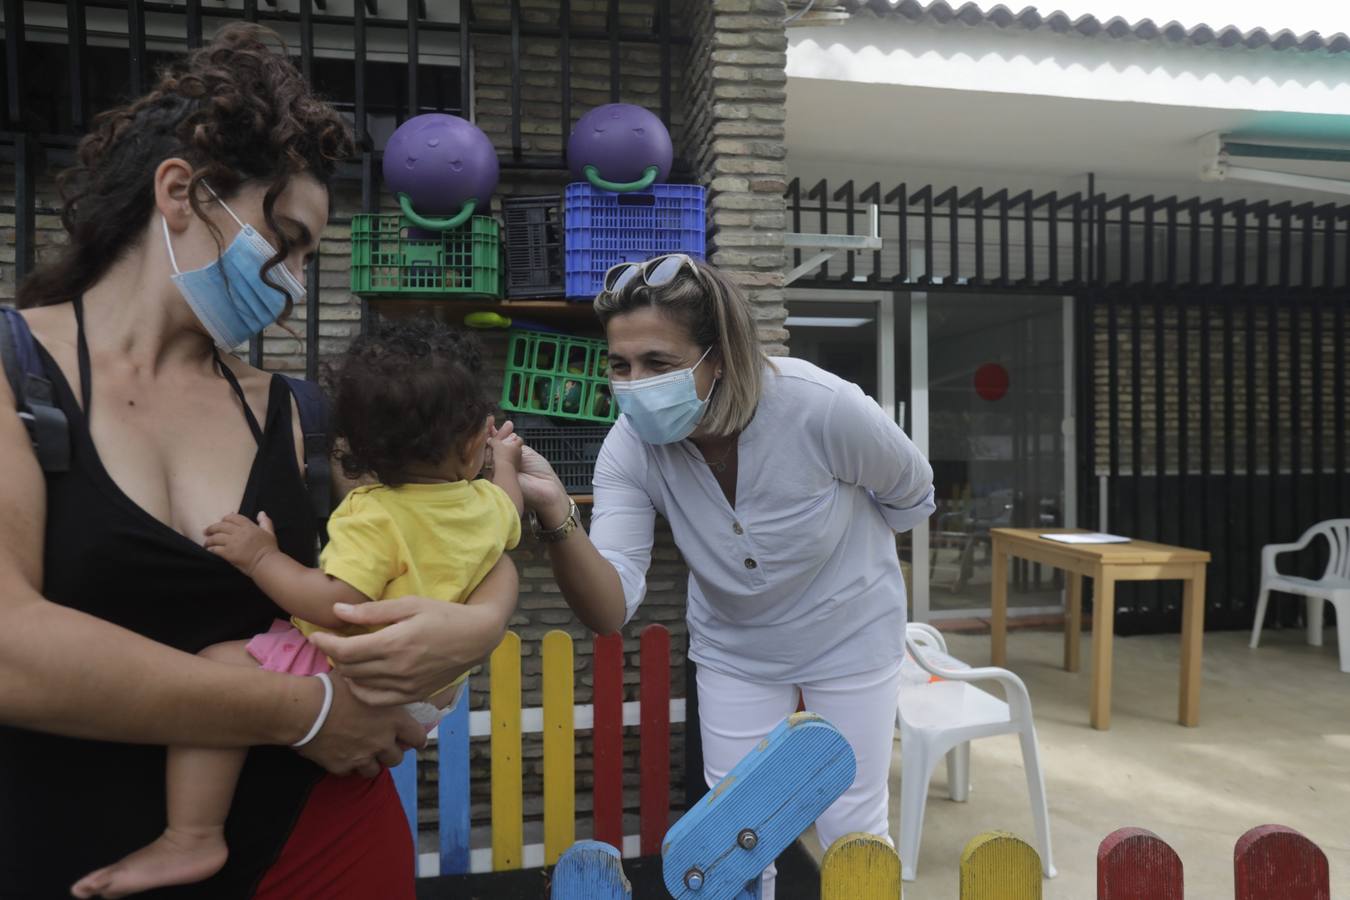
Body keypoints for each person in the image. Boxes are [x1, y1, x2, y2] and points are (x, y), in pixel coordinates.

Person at [0, 24, 518, 899]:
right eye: (289, 240)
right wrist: (305, 709)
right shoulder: (17, 375)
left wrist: (484, 624)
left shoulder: (302, 413)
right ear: (181, 192)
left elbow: (459, 528)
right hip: (66, 853)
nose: (296, 282)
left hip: (320, 849)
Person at [513, 254, 935, 899]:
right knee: (734, 831)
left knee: (853, 822)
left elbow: (910, 495)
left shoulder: (821, 407)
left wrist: (846, 551)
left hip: (852, 636)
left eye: (657, 363)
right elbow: (611, 605)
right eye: (619, 365)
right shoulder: (629, 446)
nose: (634, 385)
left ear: (720, 356)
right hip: (737, 649)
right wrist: (556, 515)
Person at [72, 320, 524, 897]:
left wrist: (262, 559)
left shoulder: (374, 514)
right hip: (429, 698)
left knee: (218, 668)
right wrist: (502, 460)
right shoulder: (486, 503)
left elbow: (338, 605)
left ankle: (192, 835)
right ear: (471, 444)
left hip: (352, 676)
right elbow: (511, 512)